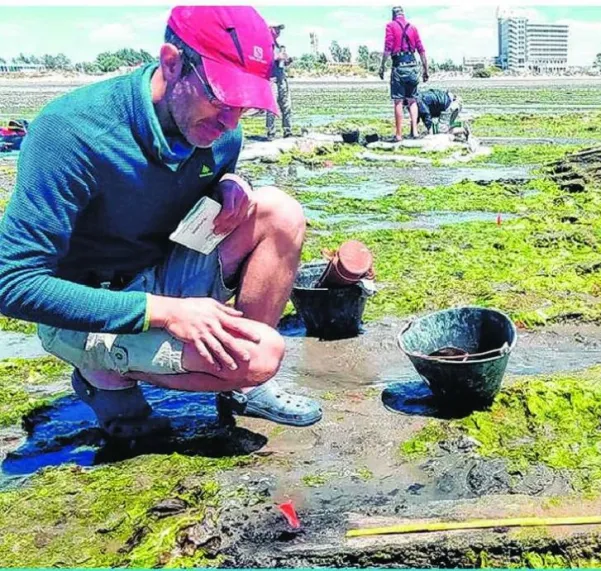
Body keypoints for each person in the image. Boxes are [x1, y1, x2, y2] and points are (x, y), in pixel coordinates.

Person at [0, 6, 322, 440]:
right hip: (86, 308)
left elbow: (166, 198)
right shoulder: (69, 133)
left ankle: (239, 389)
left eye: (243, 106)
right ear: (171, 62)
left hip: (158, 272)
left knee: (277, 210)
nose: (230, 122)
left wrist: (227, 186)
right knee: (259, 358)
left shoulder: (222, 132)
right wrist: (166, 312)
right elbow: (12, 283)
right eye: (221, 98)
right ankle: (103, 376)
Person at [378, 6, 428, 142]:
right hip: (412, 65)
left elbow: (388, 47)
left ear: (393, 15)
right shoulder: (413, 28)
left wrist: (382, 66)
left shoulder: (390, 26)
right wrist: (425, 69)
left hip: (399, 66)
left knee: (398, 101)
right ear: (403, 15)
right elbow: (421, 49)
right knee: (412, 100)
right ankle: (415, 132)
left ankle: (399, 135)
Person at [265, 22, 293, 140]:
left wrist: (287, 60)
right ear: (270, 29)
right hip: (272, 78)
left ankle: (287, 130)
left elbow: (282, 62)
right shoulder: (265, 43)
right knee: (272, 106)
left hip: (281, 77)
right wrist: (277, 57)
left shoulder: (278, 45)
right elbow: (263, 57)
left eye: (279, 29)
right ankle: (271, 132)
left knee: (286, 104)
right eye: (276, 29)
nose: (278, 31)